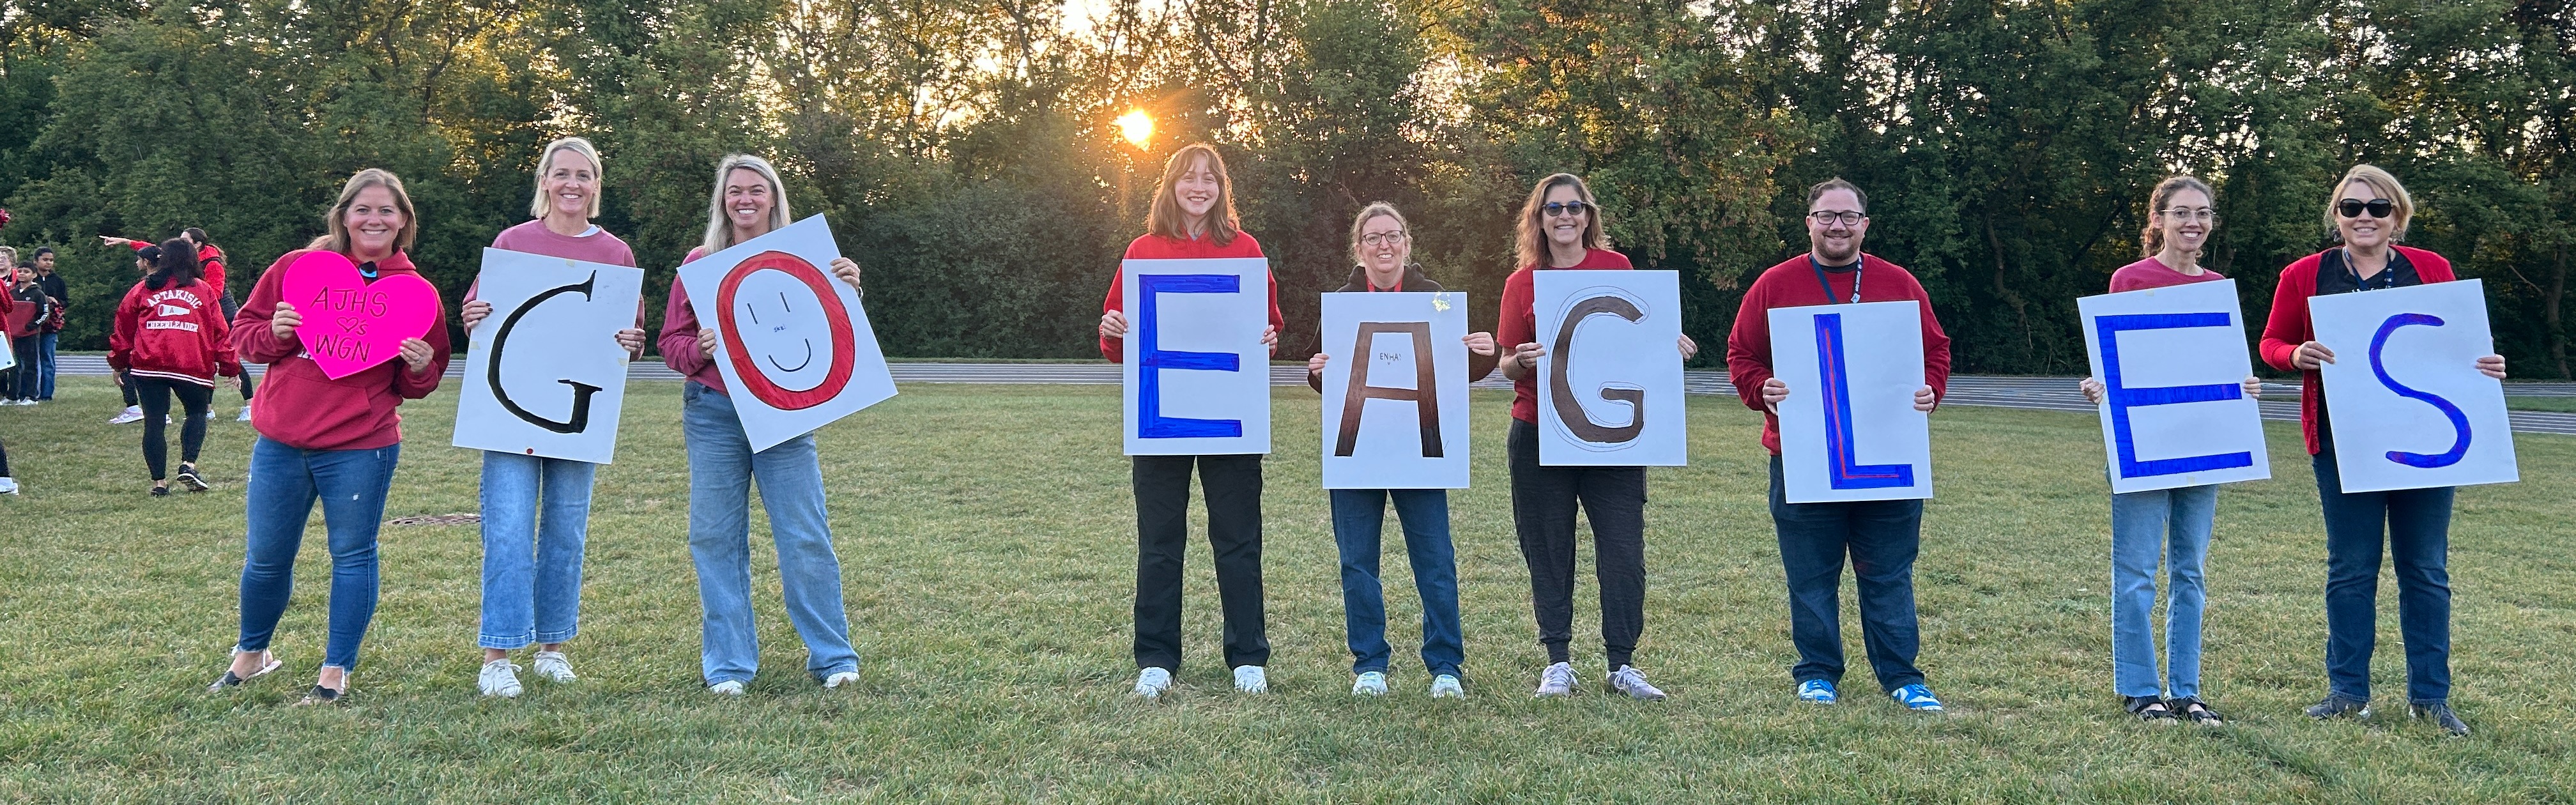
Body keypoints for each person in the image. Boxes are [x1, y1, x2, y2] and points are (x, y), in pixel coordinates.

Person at [2258, 164, 2506, 737]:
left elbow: (2464, 344)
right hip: (2343, 444)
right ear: (2336, 217)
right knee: (2350, 570)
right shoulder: (2304, 275)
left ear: (2398, 215)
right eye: (2351, 208)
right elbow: (2271, 343)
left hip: (2427, 442)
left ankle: (2431, 698)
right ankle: (2348, 692)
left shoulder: (2432, 269)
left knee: (2425, 570)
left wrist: (2486, 364)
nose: (2364, 217)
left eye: (2377, 208)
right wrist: (2296, 356)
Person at [208, 168, 450, 705]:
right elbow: (243, 336)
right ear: (343, 216)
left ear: (403, 222)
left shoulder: (415, 293)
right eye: (364, 208)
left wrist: (418, 366)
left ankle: (335, 671)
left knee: (353, 555)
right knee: (266, 556)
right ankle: (252, 654)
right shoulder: (297, 270)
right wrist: (274, 334)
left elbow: (423, 382)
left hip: (363, 446)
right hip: (281, 442)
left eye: (387, 211)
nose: (375, 219)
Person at [1723, 177, 1951, 712]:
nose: (1838, 226)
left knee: (1889, 574)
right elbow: (1741, 354)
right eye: (1826, 216)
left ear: (1864, 225)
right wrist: (1763, 389)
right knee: (1811, 574)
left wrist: (1929, 390)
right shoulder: (1775, 285)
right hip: (1803, 455)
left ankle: (1902, 676)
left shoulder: (1899, 284)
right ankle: (1818, 671)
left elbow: (1936, 351)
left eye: (1848, 217)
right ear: (1809, 223)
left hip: (1887, 454)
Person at [659, 153, 866, 696]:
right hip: (714, 414)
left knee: (805, 536)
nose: (745, 200)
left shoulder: (806, 256)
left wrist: (849, 287)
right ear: (722, 201)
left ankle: (833, 658)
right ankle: (728, 666)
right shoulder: (701, 262)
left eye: (756, 190)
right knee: (715, 538)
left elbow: (836, 329)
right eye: (735, 192)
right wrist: (697, 349)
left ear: (773, 197)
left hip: (784, 413)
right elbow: (669, 344)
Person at [457, 136, 648, 698]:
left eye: (584, 175)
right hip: (509, 411)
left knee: (566, 532)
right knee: (509, 530)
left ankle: (553, 648)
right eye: (562, 173)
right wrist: (472, 313)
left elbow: (628, 332)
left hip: (577, 412)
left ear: (596, 186)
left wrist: (634, 341)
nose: (572, 184)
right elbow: (480, 311)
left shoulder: (616, 253)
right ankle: (498, 655)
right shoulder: (513, 242)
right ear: (544, 181)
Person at [1494, 172, 1696, 701]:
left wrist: (1666, 345)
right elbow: (1505, 363)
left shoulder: (1618, 269)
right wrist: (1523, 359)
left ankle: (1622, 663)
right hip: (1540, 432)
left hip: (1614, 441)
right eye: (1554, 208)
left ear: (1589, 215)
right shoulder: (1522, 284)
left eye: (1575, 207)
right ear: (1538, 218)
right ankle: (1557, 660)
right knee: (1548, 549)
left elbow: (1637, 344)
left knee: (1623, 551)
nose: (1565, 217)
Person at [1097, 142, 1284, 699]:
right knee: (1159, 541)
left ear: (1223, 188)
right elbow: (1117, 343)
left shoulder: (1246, 249)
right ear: (1171, 186)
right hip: (1161, 417)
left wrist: (1270, 338)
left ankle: (1247, 656)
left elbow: (1268, 327)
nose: (1199, 187)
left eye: (1210, 178)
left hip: (1229, 416)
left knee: (1238, 539)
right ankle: (1156, 657)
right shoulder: (1142, 249)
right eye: (1189, 178)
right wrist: (1112, 330)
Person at [2074, 175, 2261, 725]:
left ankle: (2186, 690)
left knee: (2191, 570)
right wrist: (2099, 385)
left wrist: (2243, 385)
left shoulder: (2218, 284)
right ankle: (2139, 687)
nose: (2193, 224)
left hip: (2203, 443)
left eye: (2202, 214)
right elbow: (2116, 358)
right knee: (2135, 570)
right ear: (2157, 220)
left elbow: (2220, 364)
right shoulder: (2130, 279)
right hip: (2143, 443)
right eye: (2181, 213)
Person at [1303, 202, 1491, 698]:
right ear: (1359, 250)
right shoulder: (1341, 304)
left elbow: (1459, 374)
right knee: (1357, 561)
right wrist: (1315, 371)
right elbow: (1329, 378)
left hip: (1420, 450)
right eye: (1372, 238)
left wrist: (1482, 357)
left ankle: (1445, 665)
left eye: (1393, 235)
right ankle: (1370, 663)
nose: (1383, 245)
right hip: (1358, 451)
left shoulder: (1438, 301)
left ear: (1408, 243)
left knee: (1434, 559)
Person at [108, 238, 241, 495]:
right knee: (196, 413)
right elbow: (219, 332)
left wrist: (119, 362)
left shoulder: (143, 289)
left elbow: (123, 327)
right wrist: (230, 367)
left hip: (149, 364)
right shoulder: (203, 290)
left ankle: (159, 484)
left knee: (154, 422)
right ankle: (188, 464)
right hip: (191, 363)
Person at [7, 260, 50, 404]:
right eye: (20, 271)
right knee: (13, 366)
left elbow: (44, 314)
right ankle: (13, 396)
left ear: (34, 275)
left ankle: (31, 396)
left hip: (29, 335)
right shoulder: (12, 293)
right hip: (13, 335)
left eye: (26, 272)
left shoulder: (38, 294)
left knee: (30, 366)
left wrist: (31, 326)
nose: (21, 274)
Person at [32, 247, 64, 401]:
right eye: (45, 260)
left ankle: (46, 394)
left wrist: (55, 301)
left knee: (48, 359)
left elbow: (65, 301)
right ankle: (32, 392)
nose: (48, 263)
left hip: (50, 326)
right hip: (31, 325)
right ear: (36, 262)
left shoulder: (58, 281)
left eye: (51, 260)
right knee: (31, 359)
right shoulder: (30, 279)